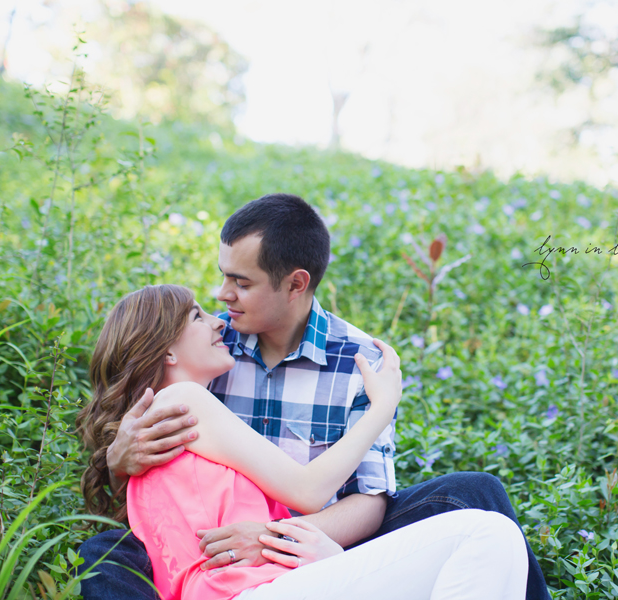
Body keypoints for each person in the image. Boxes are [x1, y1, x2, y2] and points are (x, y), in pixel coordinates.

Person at [76, 193, 552, 600]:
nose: (222, 299)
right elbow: (161, 490)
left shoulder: (359, 360)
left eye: (241, 283)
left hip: (310, 536)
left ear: (296, 283)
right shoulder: (214, 348)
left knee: (476, 496)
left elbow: (369, 502)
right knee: (108, 551)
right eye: (224, 277)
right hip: (228, 556)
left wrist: (274, 538)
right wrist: (119, 456)